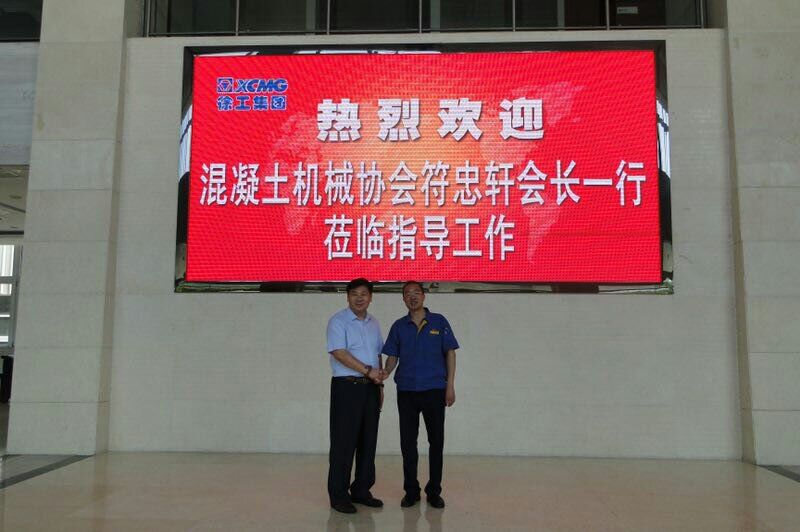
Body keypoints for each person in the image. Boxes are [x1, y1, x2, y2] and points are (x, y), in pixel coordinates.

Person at [382, 281, 458, 509]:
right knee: (408, 443)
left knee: (436, 442)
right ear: (403, 299)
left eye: (416, 292)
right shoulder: (398, 326)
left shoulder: (439, 321)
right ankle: (411, 491)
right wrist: (384, 373)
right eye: (407, 294)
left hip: (434, 390)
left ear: (424, 296)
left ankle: (434, 491)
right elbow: (392, 356)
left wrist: (450, 385)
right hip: (406, 391)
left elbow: (450, 353)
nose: (412, 297)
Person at [326, 278, 386, 514]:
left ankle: (361, 490)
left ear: (371, 297)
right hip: (347, 387)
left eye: (364, 294)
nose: (359, 298)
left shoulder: (374, 323)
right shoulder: (338, 321)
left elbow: (378, 354)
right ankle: (339, 496)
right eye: (354, 294)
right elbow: (339, 353)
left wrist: (379, 385)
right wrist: (368, 371)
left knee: (368, 441)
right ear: (347, 297)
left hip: (371, 388)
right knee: (343, 442)